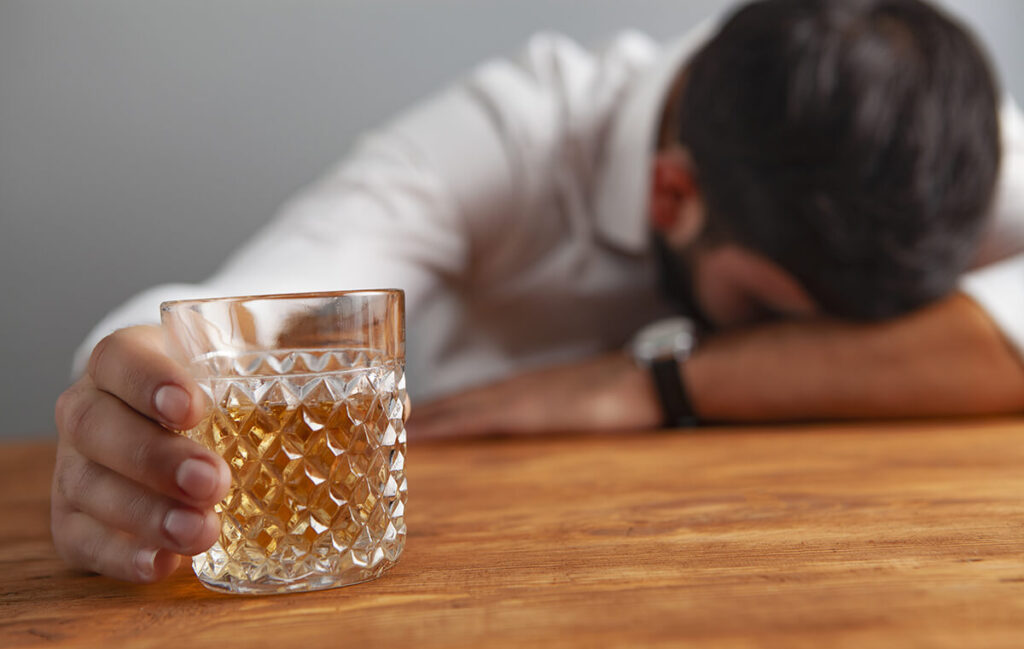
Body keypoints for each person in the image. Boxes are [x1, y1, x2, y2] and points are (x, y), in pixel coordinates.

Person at [53, 0, 1024, 584]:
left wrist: (654, 384)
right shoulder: (512, 139)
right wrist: (129, 403)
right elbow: (227, 312)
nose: (814, 350)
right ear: (671, 191)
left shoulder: (940, 157)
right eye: (772, 313)